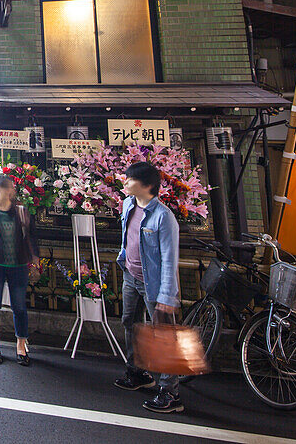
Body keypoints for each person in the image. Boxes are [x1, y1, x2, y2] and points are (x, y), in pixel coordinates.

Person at [114, 161, 183, 414]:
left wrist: (167, 294)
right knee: (129, 322)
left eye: (129, 178)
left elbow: (169, 259)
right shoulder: (128, 204)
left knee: (164, 336)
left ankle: (170, 392)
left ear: (147, 185)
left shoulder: (165, 217)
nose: (125, 182)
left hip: (154, 284)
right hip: (130, 276)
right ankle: (137, 373)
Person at [0, 173, 39, 366]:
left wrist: (36, 263)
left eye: (7, 188)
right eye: (1, 188)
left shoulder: (21, 212)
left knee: (19, 306)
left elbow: (32, 239)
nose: (4, 192)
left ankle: (21, 344)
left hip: (18, 265)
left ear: (12, 191)